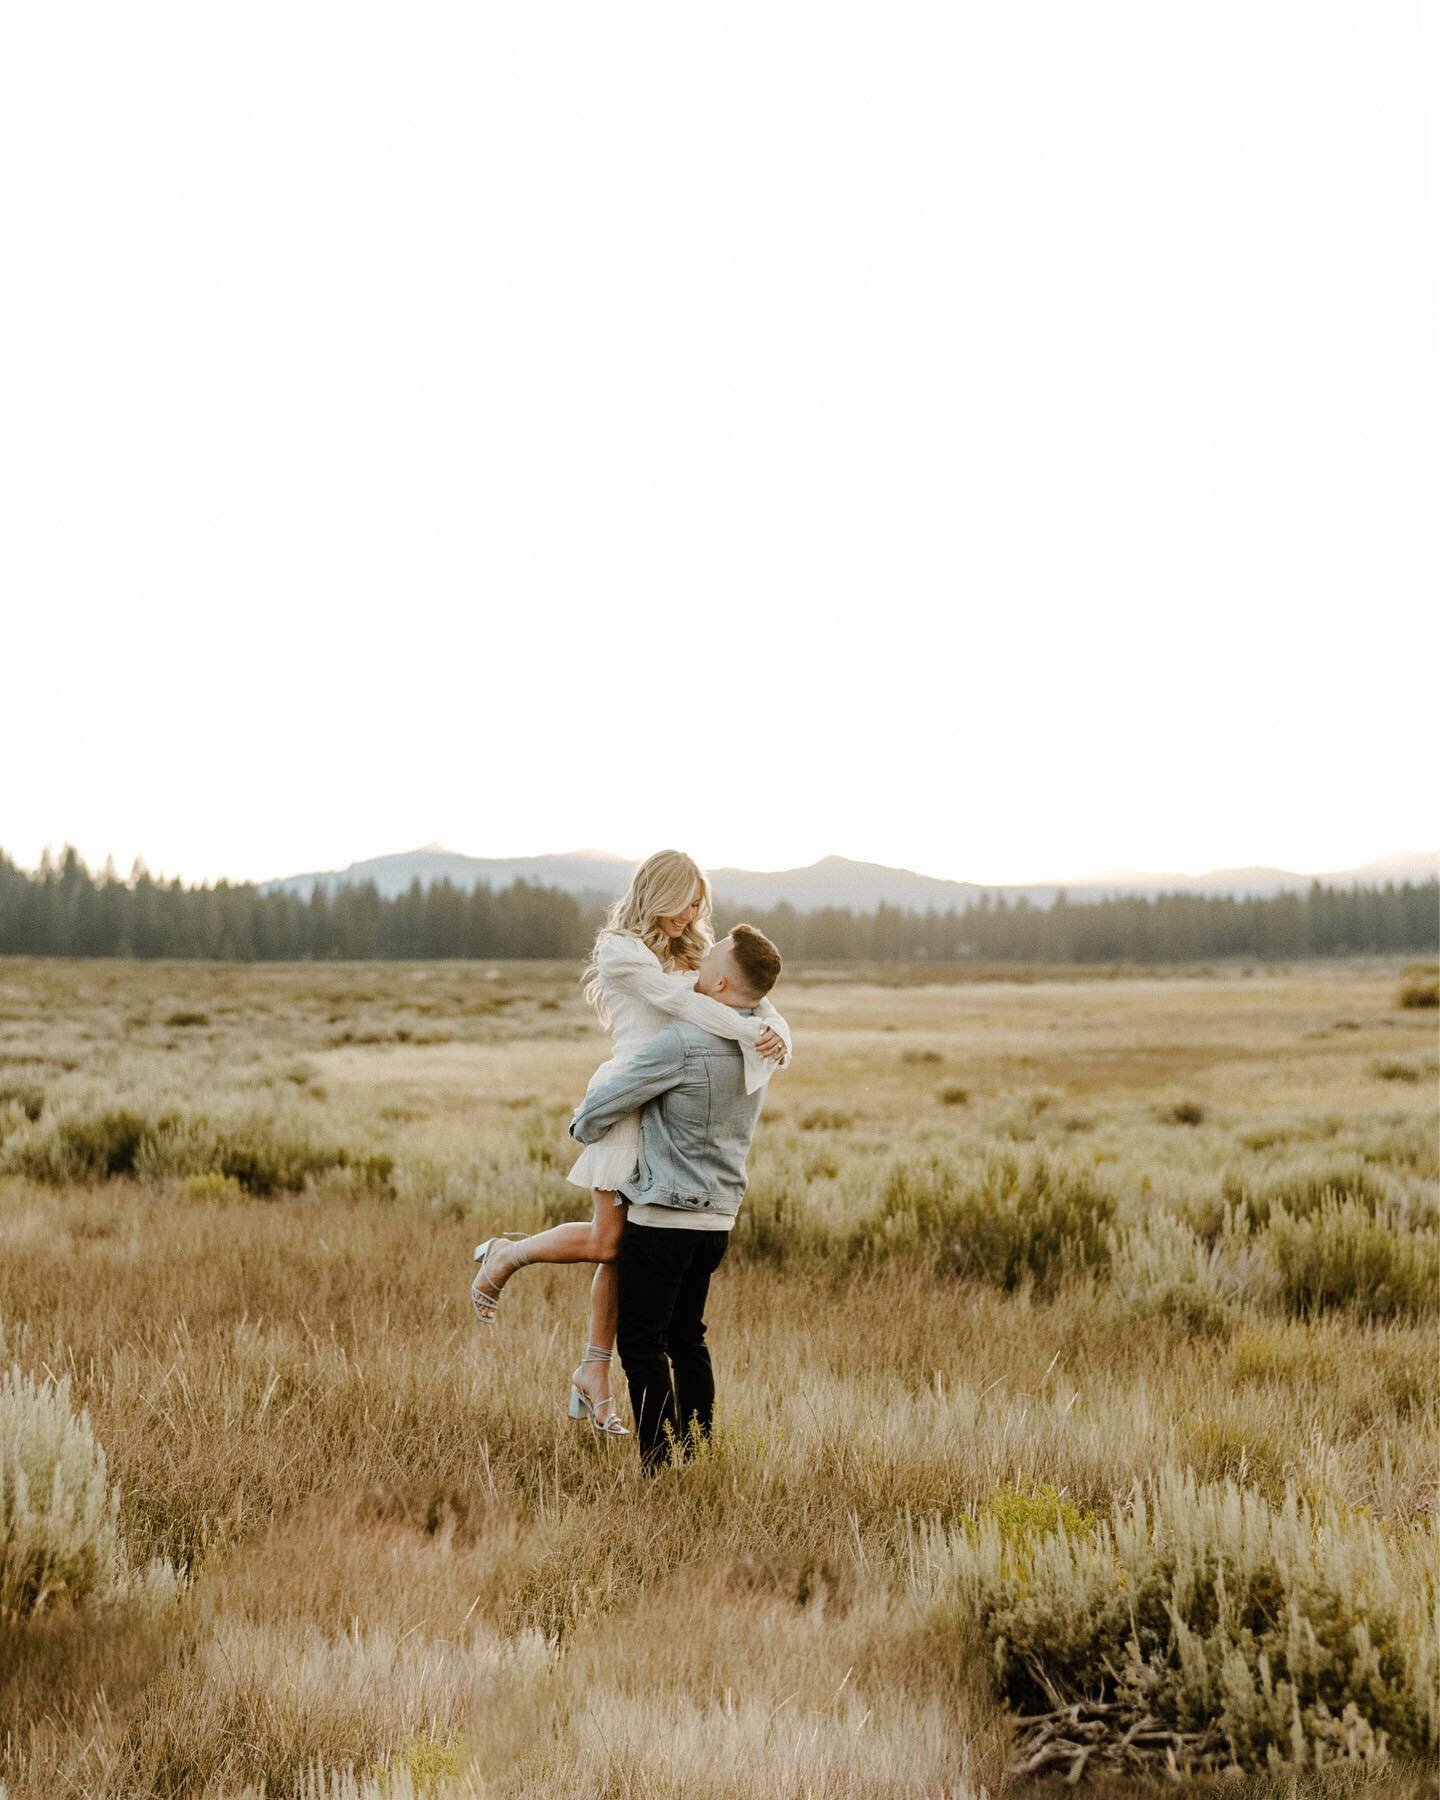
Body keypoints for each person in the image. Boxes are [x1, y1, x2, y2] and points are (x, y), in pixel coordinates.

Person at [469, 851, 791, 1437]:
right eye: (685, 900)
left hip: (666, 1097)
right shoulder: (621, 949)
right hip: (627, 1094)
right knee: (610, 1239)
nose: (694, 912)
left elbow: (754, 994)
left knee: (627, 1247)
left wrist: (780, 1036)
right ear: (657, 892)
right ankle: (505, 1257)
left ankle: (594, 1372)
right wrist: (752, 1032)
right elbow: (687, 1004)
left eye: (699, 902)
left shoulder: (696, 946)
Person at [567, 922, 783, 1471]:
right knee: (688, 1336)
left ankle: (657, 1464)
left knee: (641, 1345)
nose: (701, 957)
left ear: (722, 987)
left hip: (663, 1218)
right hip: (718, 1221)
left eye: (712, 956)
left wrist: (583, 1125)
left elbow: (600, 1109)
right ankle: (697, 1449)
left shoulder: (684, 1041)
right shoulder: (760, 1043)